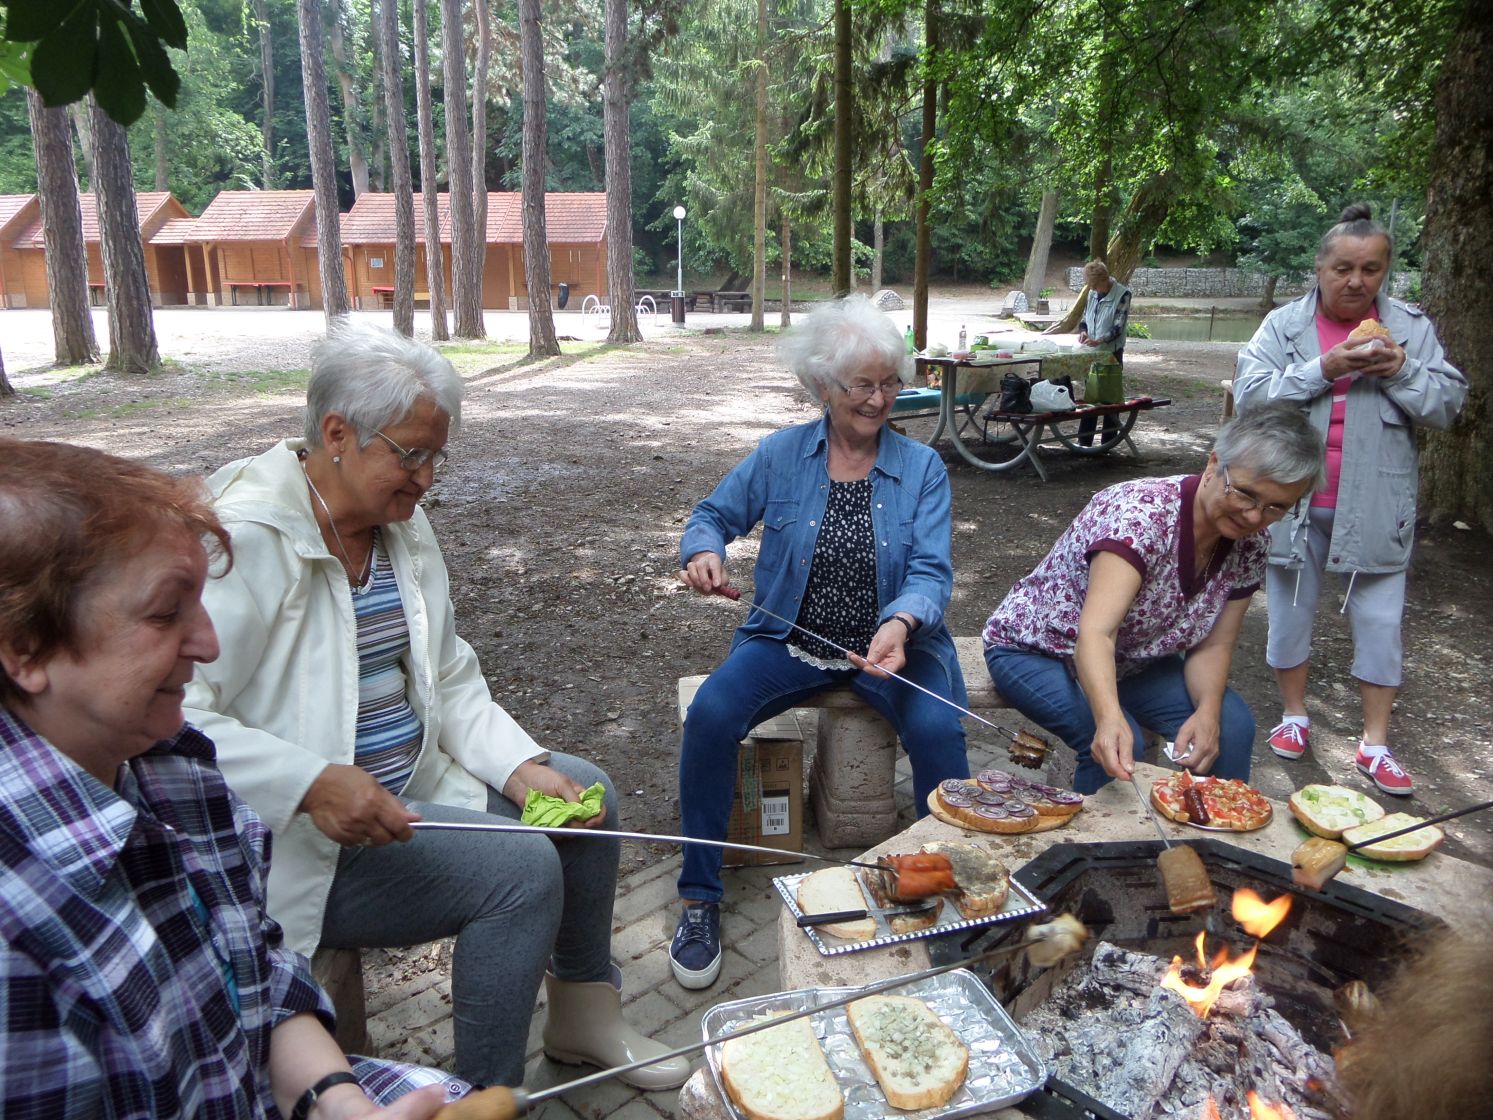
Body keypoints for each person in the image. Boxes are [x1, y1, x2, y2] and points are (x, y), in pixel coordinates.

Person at [182, 321, 687, 1091]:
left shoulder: (398, 528)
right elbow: (179, 719)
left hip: (410, 784)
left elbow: (446, 674)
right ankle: (488, 1097)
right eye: (410, 454)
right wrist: (311, 782)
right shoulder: (246, 539)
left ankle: (583, 1017)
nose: (425, 480)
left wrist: (516, 766)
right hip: (305, 838)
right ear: (337, 434)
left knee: (588, 800)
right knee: (520, 872)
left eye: (435, 458)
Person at [0, 439, 463, 1120]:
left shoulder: (177, 770)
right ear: (25, 650)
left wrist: (336, 1100)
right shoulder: (17, 931)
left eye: (199, 602)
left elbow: (261, 972)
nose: (208, 643)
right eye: (165, 613)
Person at [671, 294, 970, 989]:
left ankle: (942, 895)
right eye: (861, 384)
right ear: (821, 386)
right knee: (710, 717)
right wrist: (703, 550)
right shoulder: (780, 455)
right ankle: (699, 896)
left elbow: (930, 572)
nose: (879, 399)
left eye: (889, 382)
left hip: (894, 647)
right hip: (789, 637)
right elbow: (711, 514)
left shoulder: (922, 468)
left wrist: (899, 625)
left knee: (939, 732)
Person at [1234, 203, 1467, 795]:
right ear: (1319, 268)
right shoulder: (1283, 326)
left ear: (1384, 271)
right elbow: (1250, 399)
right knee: (1290, 614)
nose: (1356, 281)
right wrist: (1323, 368)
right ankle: (1293, 717)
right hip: (1290, 505)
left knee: (1381, 625)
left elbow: (1447, 405)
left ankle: (1375, 744)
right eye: (1343, 268)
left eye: (1370, 269)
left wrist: (1402, 370)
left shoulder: (1409, 328)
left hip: (1378, 507)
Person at [983, 405, 1323, 794]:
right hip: (1038, 649)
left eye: (1276, 507)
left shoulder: (1252, 545)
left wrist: (1207, 713)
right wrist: (1109, 717)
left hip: (1131, 661)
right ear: (1214, 464)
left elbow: (1215, 644)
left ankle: (1211, 828)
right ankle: (1102, 833)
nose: (1253, 516)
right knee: (1118, 743)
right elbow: (1096, 634)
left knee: (1231, 726)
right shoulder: (1142, 516)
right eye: (1246, 494)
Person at [1076, 258, 1132, 363]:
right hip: (1090, 351)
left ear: (1103, 280)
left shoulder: (1123, 295)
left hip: (1112, 352)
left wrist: (1099, 341)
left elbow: (1118, 328)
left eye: (1095, 286)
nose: (1092, 289)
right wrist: (1083, 331)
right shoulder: (1092, 293)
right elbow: (1085, 318)